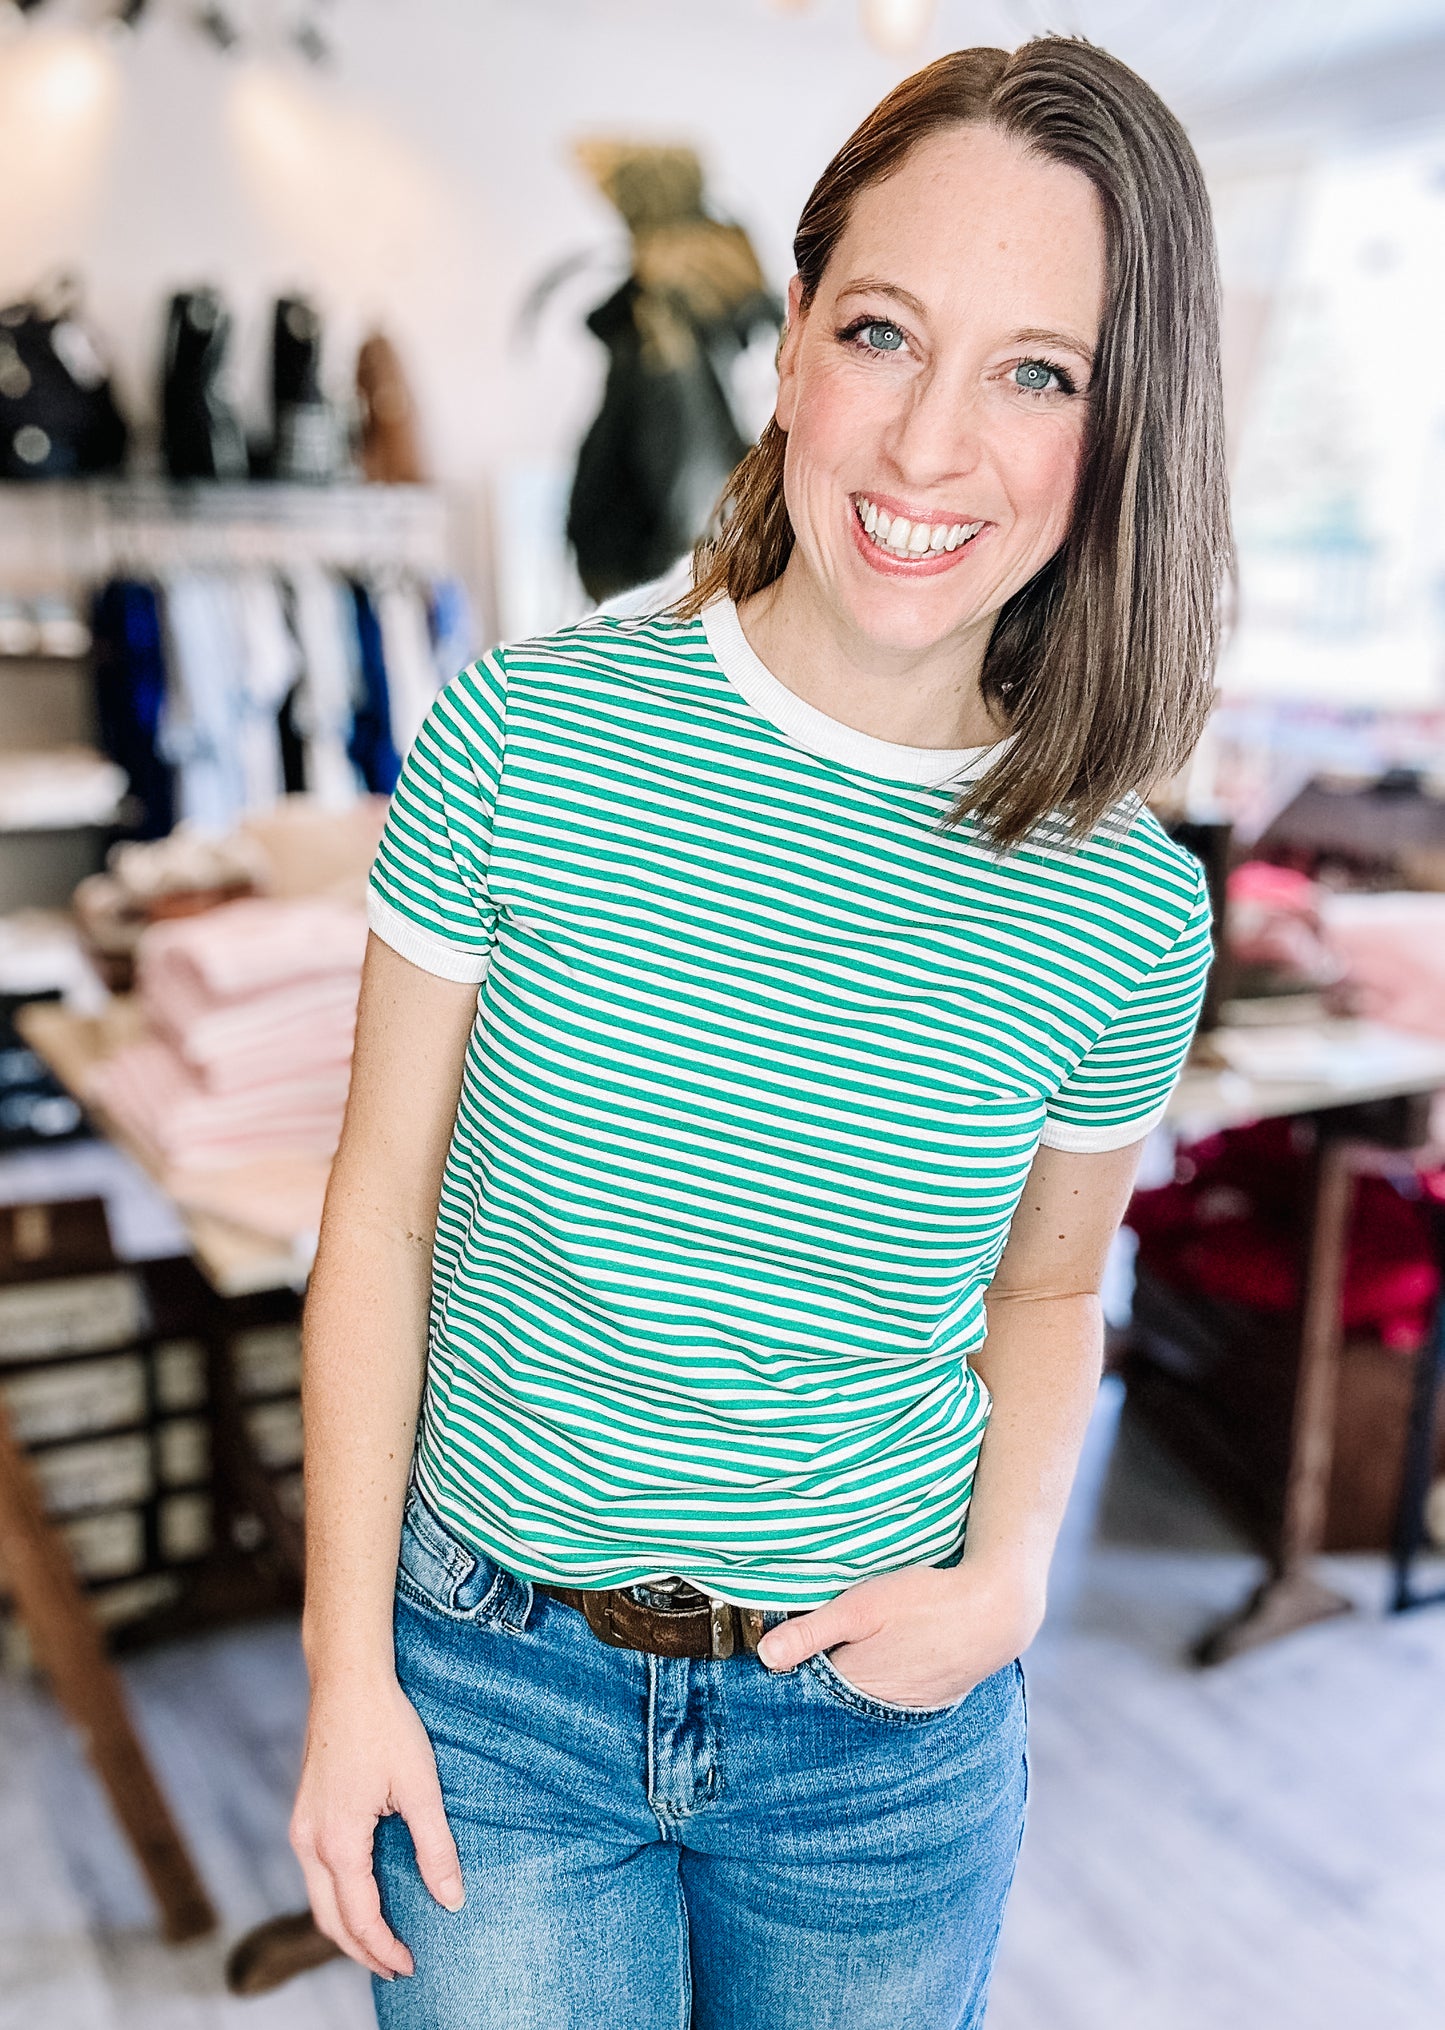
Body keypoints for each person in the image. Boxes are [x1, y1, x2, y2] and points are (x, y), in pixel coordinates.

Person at [290, 36, 1230, 2030]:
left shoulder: (1125, 904)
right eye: (886, 330)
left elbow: (1049, 1299)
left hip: (876, 1745)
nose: (926, 450)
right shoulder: (524, 739)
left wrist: (1009, 1581)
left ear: (1122, 429)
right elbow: (375, 1212)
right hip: (493, 1694)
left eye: (1037, 371)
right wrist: (343, 1669)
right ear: (792, 336)